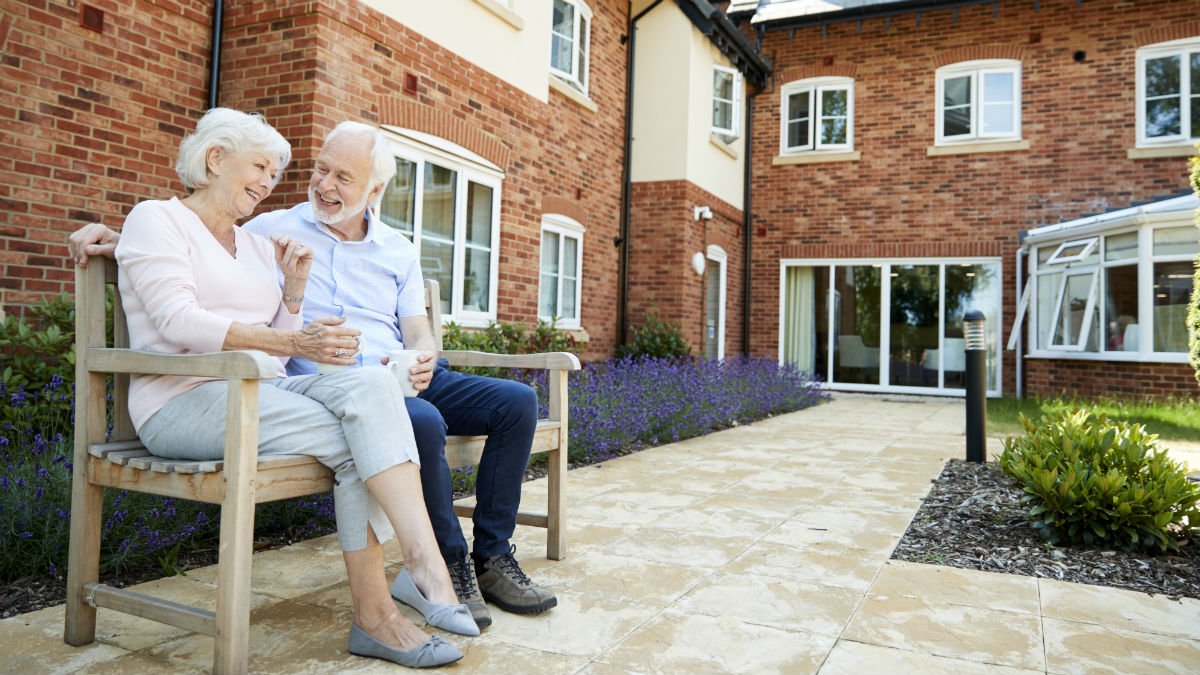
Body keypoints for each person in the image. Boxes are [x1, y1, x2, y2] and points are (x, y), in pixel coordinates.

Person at [70, 122, 557, 630]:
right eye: (319, 170)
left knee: (517, 402)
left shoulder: (389, 247)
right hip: (316, 383)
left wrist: (424, 354)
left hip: (392, 373)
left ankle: (492, 558)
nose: (324, 185)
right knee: (417, 422)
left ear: (374, 190)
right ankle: (444, 566)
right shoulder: (271, 227)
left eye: (343, 177)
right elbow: (192, 242)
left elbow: (415, 326)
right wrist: (120, 238)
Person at [109, 108, 474, 669]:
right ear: (215, 160)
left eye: (276, 173)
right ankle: (401, 595)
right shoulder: (157, 220)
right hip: (182, 401)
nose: (269, 183)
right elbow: (178, 319)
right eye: (259, 166)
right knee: (365, 436)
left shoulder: (257, 245)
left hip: (261, 396)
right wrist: (294, 344)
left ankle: (413, 576)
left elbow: (281, 339)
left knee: (373, 389)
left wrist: (295, 294)